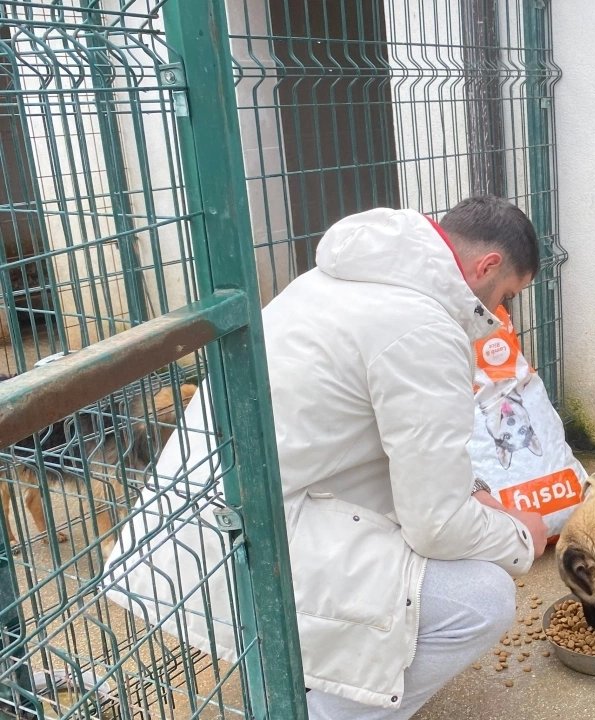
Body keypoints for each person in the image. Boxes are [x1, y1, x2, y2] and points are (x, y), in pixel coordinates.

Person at [104, 197, 550, 720]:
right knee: (482, 598)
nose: (501, 314)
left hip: (197, 527)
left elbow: (387, 447)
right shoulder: (423, 326)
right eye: (507, 296)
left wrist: (473, 494)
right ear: (487, 266)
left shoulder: (341, 277)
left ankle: (314, 685)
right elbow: (436, 526)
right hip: (245, 541)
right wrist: (523, 536)